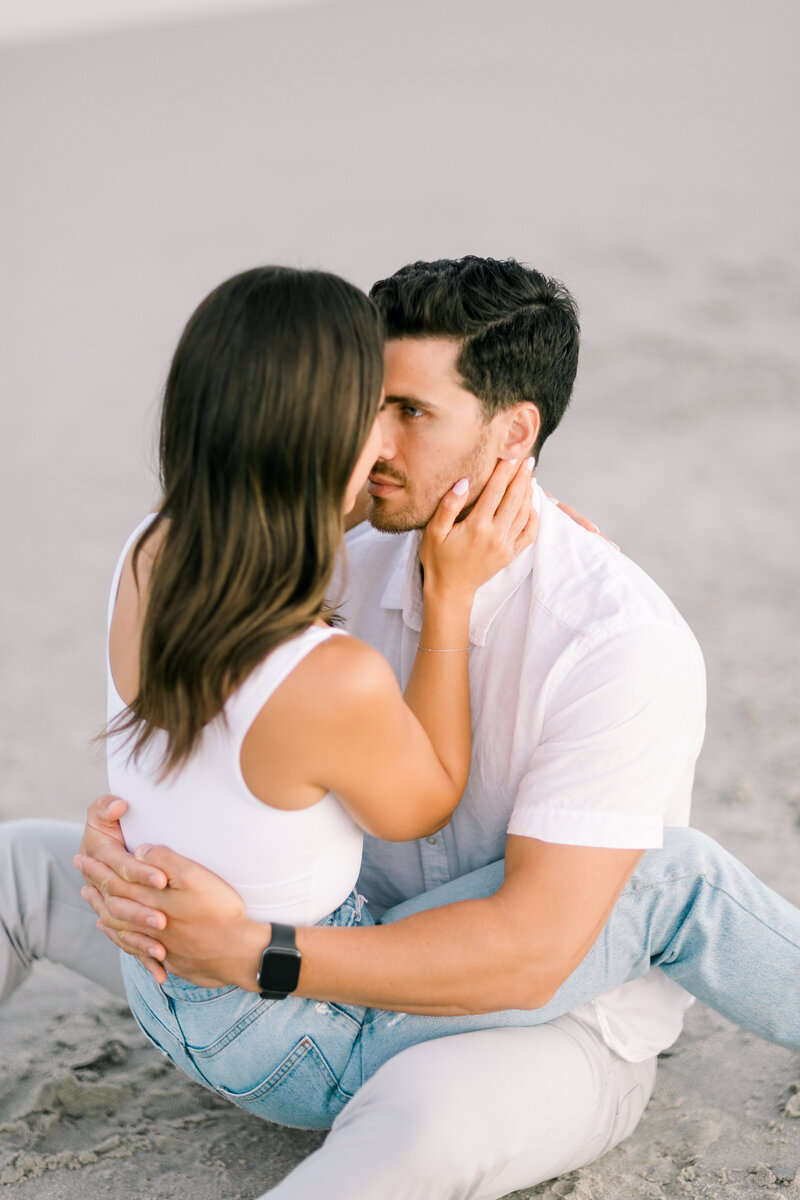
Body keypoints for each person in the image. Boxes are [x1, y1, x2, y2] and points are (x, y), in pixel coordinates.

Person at [3, 257, 799, 1199]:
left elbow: (530, 952)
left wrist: (256, 950)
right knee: (21, 865)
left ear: (514, 435)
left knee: (422, 1121)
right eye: (365, 403)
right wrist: (131, 850)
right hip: (299, 976)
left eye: (410, 414)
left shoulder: (618, 642)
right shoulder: (336, 538)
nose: (373, 441)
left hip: (527, 1017)